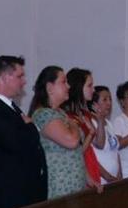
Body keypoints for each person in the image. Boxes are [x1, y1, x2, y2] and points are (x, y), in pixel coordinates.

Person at [0, 55, 46, 208]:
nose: (24, 81)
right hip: (7, 196)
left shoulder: (9, 106)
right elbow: (17, 143)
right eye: (20, 76)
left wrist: (29, 128)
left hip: (21, 193)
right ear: (4, 78)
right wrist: (31, 128)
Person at [31, 66, 89, 199]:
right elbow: (72, 141)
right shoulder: (43, 114)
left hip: (75, 184)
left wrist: (88, 178)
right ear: (50, 88)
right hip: (60, 186)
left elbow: (76, 151)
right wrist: (74, 124)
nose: (68, 86)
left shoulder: (61, 112)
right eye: (63, 82)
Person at [90, 85, 122, 183]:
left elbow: (115, 152)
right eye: (104, 100)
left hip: (115, 180)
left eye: (110, 99)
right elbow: (90, 156)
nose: (109, 103)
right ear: (94, 104)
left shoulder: (109, 124)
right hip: (101, 180)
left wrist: (119, 175)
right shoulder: (91, 124)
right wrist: (107, 176)